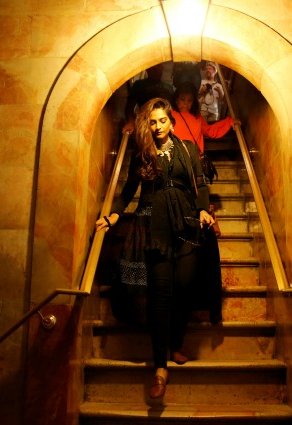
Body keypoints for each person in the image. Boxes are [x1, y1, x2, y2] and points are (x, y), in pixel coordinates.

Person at [96, 98, 215, 399]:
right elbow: (127, 192)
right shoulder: (143, 154)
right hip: (154, 227)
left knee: (185, 287)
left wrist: (202, 209)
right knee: (160, 295)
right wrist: (113, 215)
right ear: (147, 124)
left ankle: (175, 341)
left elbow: (200, 184)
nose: (158, 126)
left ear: (172, 123)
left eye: (163, 120)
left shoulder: (187, 150)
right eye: (153, 121)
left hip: (186, 224)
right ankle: (160, 367)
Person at [171, 81, 240, 153]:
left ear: (193, 101)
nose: (186, 103)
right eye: (182, 99)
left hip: (194, 160)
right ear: (176, 99)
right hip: (176, 158)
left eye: (190, 100)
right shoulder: (169, 114)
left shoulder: (196, 116)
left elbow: (210, 131)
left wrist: (229, 122)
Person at [122, 64, 174, 133]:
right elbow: (130, 105)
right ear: (148, 69)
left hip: (163, 122)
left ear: (162, 68)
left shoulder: (168, 88)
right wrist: (130, 121)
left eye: (159, 67)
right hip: (144, 123)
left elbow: (173, 109)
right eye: (154, 67)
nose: (157, 70)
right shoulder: (139, 85)